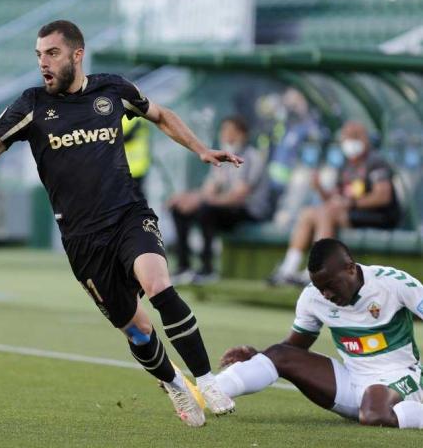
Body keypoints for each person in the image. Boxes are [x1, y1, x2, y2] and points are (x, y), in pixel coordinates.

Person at [0, 20, 242, 427]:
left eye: (52, 53)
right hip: (82, 240)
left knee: (158, 285)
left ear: (77, 54)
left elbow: (161, 115)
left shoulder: (112, 90)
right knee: (138, 330)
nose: (44, 62)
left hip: (128, 215)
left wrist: (200, 149)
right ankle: (175, 385)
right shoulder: (31, 104)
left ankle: (206, 380)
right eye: (39, 55)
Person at [215, 238, 423, 429]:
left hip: (399, 376)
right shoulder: (313, 297)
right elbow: (294, 347)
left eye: (331, 285)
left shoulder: (392, 283)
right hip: (352, 382)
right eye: (320, 288)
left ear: (350, 268)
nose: (326, 294)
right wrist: (257, 355)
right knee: (279, 354)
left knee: (374, 415)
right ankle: (208, 393)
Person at [269, 121, 399, 286]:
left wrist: (350, 203)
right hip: (350, 213)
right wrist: (320, 189)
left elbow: (383, 196)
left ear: (365, 139)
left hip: (380, 216)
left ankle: (315, 270)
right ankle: (288, 269)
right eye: (346, 137)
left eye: (354, 137)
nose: (349, 142)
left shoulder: (375, 162)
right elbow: (335, 199)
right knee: (309, 213)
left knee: (327, 212)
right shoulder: (346, 165)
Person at [167, 116, 271, 284]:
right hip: (224, 209)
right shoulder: (222, 156)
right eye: (224, 131)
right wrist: (187, 198)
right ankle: (183, 267)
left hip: (249, 211)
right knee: (179, 209)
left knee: (205, 210)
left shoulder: (253, 157)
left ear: (243, 134)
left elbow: (237, 197)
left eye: (231, 131)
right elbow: (208, 190)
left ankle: (208, 270)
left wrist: (202, 201)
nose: (226, 135)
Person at [122, 115, 150, 198]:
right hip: (137, 165)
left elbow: (126, 137)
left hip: (131, 166)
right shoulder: (140, 113)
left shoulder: (115, 114)